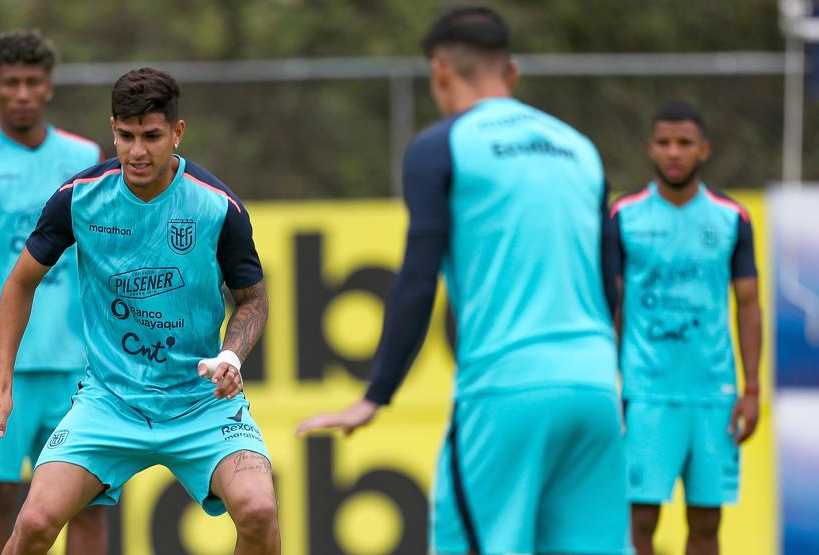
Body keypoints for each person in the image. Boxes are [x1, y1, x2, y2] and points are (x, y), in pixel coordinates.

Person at [297, 6, 629, 554]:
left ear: (439, 72)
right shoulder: (580, 149)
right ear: (512, 73)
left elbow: (418, 278)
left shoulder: (441, 146)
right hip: (595, 388)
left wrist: (376, 394)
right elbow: (613, 284)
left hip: (507, 391)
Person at [0, 67, 278, 554]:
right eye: (126, 135)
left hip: (201, 405)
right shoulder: (80, 197)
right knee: (33, 525)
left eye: (152, 136)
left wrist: (231, 358)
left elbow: (253, 299)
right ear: (112, 127)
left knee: (260, 513)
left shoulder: (217, 206)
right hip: (108, 403)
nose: (138, 151)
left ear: (177, 132)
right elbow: (19, 284)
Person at [0, 30, 106, 555]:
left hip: (80, 360)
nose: (23, 93)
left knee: (89, 496)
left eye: (33, 81)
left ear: (48, 87)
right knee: (0, 492)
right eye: (12, 83)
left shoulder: (87, 156)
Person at [609, 101, 761, 555]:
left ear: (704, 150)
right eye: (664, 143)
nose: (674, 152)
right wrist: (608, 383)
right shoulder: (625, 216)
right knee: (639, 522)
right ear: (650, 148)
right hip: (644, 393)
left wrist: (751, 390)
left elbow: (749, 304)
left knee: (706, 525)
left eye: (684, 143)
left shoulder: (732, 218)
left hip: (712, 395)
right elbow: (610, 307)